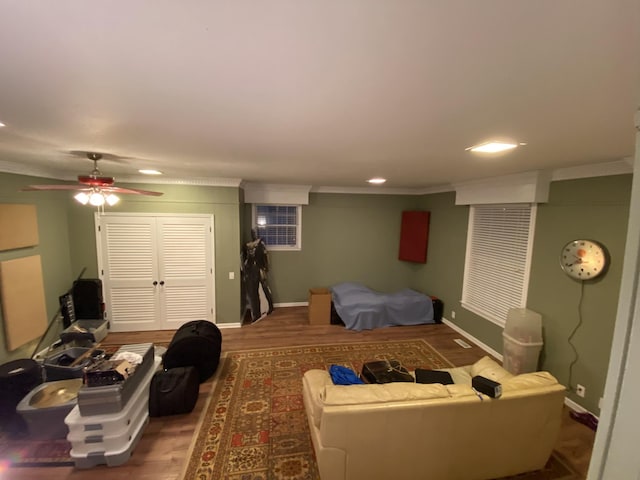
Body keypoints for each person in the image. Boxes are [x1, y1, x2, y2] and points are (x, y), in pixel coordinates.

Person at [242, 229, 274, 322]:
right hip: (251, 271)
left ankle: (265, 309)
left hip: (259, 270)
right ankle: (257, 313)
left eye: (255, 233)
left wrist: (265, 267)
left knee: (263, 290)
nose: (254, 235)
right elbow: (244, 258)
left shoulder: (261, 244)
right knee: (253, 292)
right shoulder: (247, 245)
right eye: (252, 233)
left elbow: (265, 257)